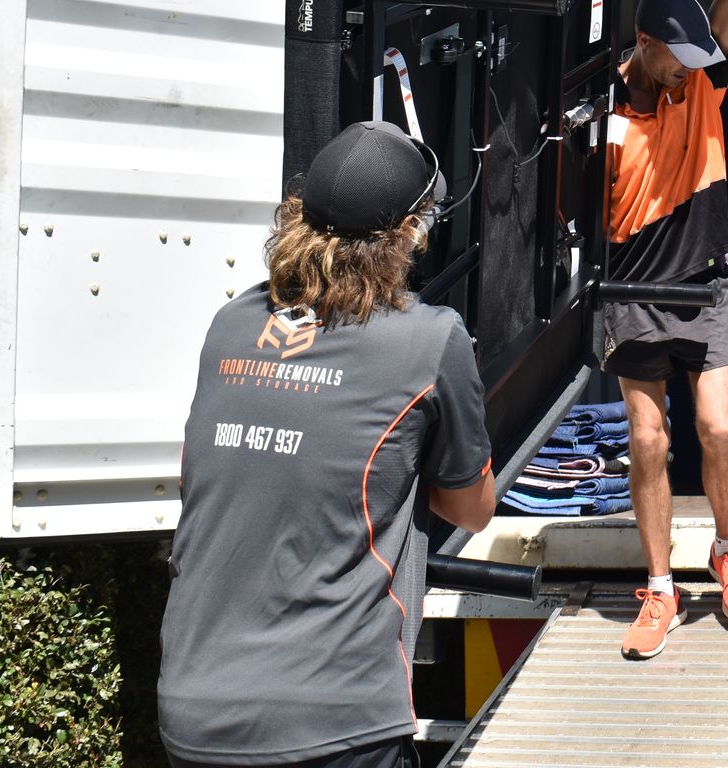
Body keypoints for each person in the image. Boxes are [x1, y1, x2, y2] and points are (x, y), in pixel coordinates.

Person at [159, 120, 495, 768]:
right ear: (406, 237)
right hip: (335, 720)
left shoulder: (230, 325)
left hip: (194, 713)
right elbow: (470, 509)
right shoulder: (429, 340)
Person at [603, 0, 728, 660]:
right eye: (676, 57)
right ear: (645, 42)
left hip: (706, 285)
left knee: (718, 427)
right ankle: (660, 588)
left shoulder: (702, 81)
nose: (687, 71)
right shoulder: (597, 103)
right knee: (648, 441)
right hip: (632, 293)